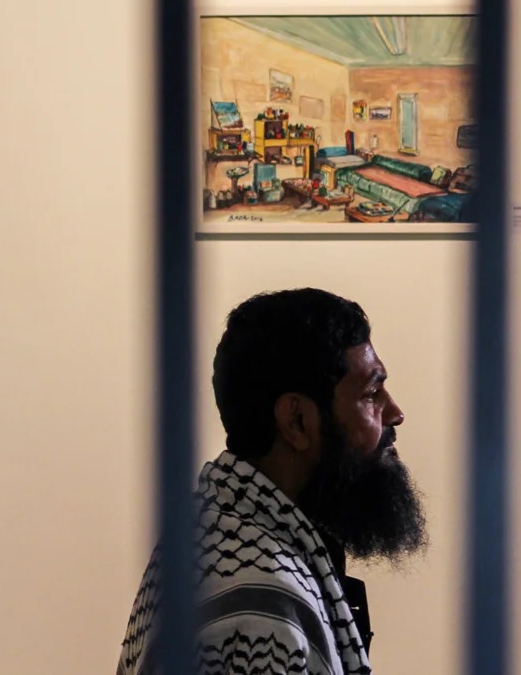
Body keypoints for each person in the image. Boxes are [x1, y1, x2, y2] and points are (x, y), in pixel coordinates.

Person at [117, 288, 428, 675]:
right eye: (371, 392)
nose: (394, 413)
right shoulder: (262, 610)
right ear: (297, 421)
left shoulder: (217, 524)